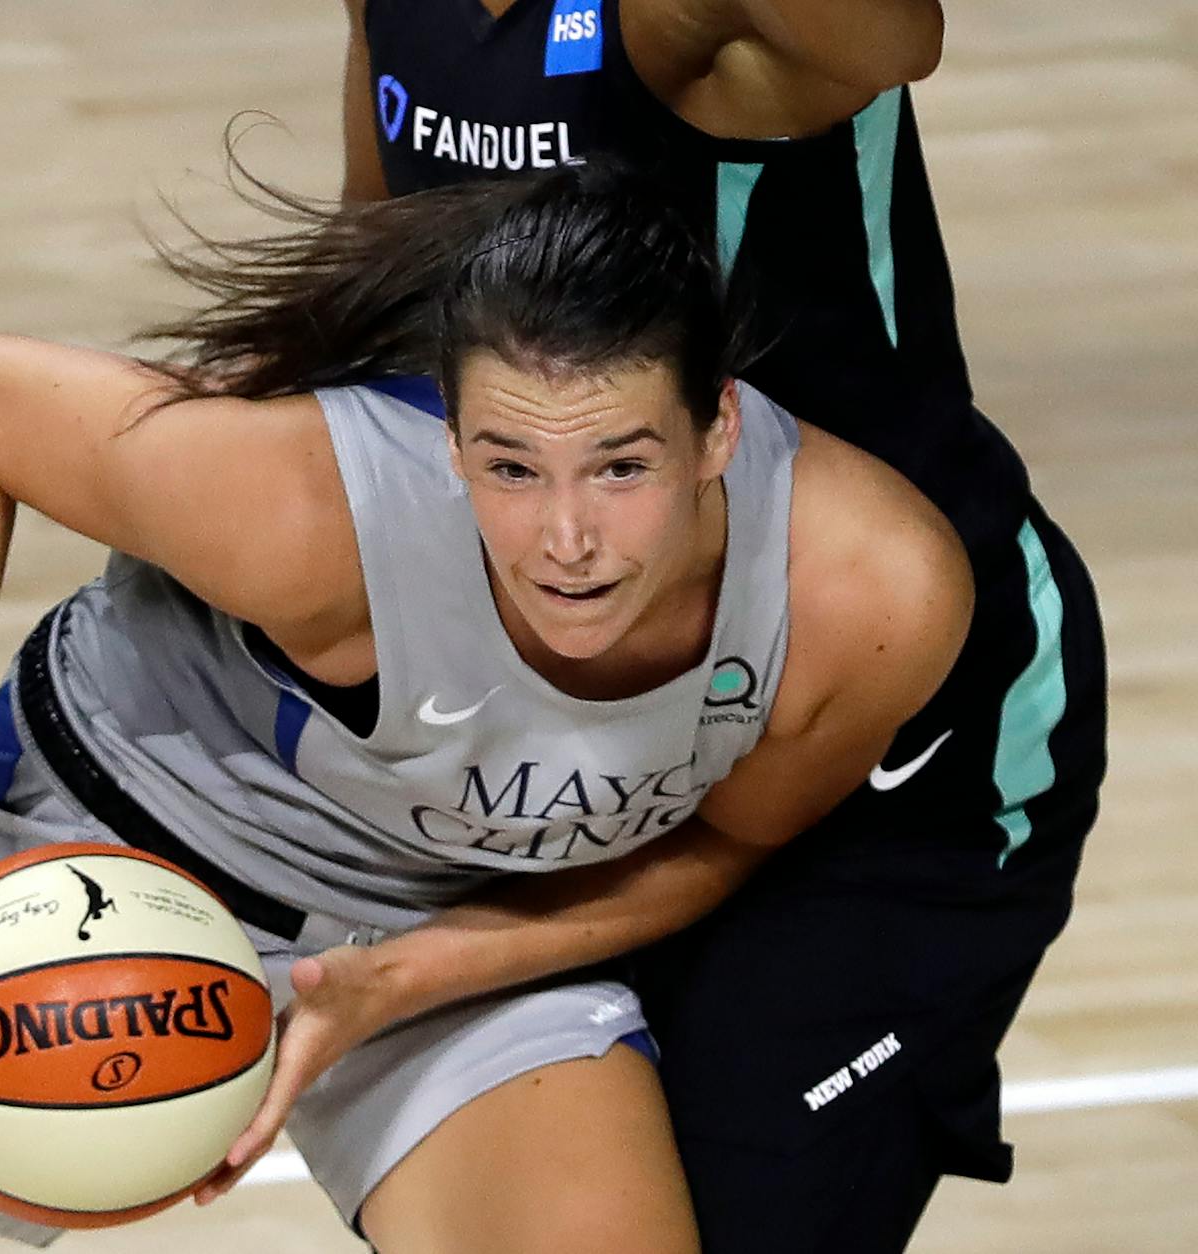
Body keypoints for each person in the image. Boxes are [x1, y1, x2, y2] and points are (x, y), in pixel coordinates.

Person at [0, 161, 987, 1254]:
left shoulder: (865, 600)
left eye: (621, 465)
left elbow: (725, 841)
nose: (567, 541)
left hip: (450, 936)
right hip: (94, 862)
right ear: (451, 448)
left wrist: (410, 974)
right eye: (511, 467)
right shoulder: (308, 517)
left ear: (716, 426)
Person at [339, 3, 1108, 1247]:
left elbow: (892, 40)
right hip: (609, 742)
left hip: (893, 750)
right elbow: (373, 288)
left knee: (737, 1212)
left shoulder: (686, 26)